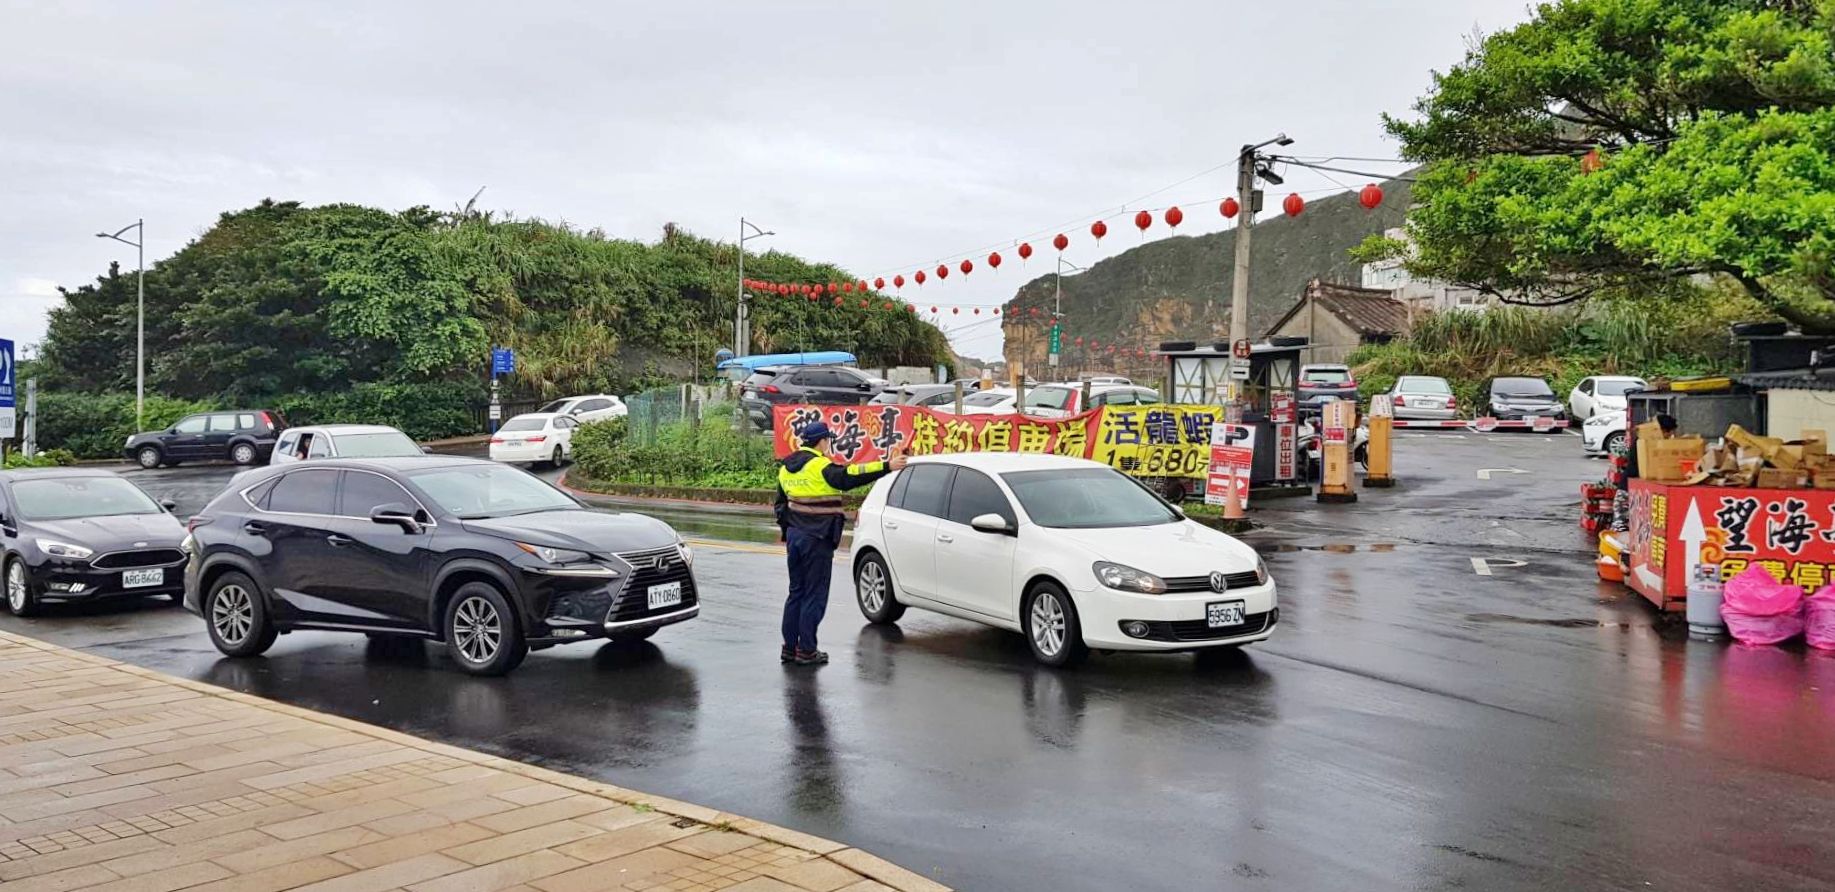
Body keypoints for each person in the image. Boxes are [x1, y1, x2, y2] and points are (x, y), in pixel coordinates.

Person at [775, 421, 907, 665]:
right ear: (822, 441)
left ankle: (789, 647)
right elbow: (850, 476)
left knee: (796, 593)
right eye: (828, 441)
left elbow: (780, 506)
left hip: (795, 538)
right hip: (817, 538)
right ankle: (807, 650)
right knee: (814, 595)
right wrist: (888, 466)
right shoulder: (821, 466)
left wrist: (789, 532)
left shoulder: (786, 468)